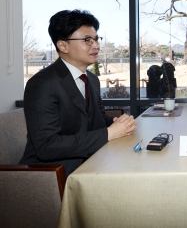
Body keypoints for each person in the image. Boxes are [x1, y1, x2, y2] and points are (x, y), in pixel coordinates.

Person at [20, 9, 137, 177]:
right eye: (87, 40)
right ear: (62, 45)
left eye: (96, 39)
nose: (96, 45)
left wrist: (117, 122)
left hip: (91, 162)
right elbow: (47, 146)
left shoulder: (92, 79)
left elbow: (96, 118)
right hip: (52, 174)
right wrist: (109, 133)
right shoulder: (42, 84)